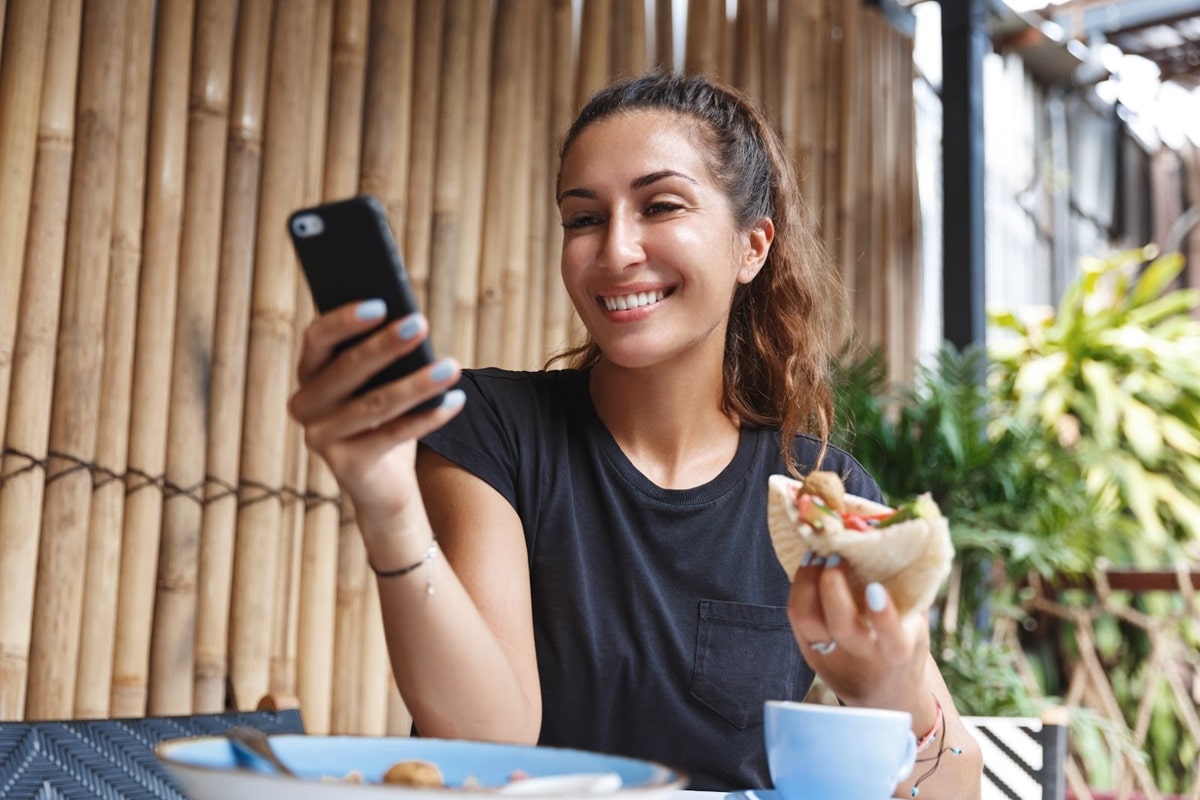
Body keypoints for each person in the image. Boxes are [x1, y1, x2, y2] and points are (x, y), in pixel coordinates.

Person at [289, 70, 983, 796]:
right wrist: (386, 505)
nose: (616, 250)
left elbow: (955, 785)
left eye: (660, 205)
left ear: (753, 247)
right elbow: (487, 741)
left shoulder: (818, 496)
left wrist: (896, 690)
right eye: (583, 218)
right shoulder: (492, 428)